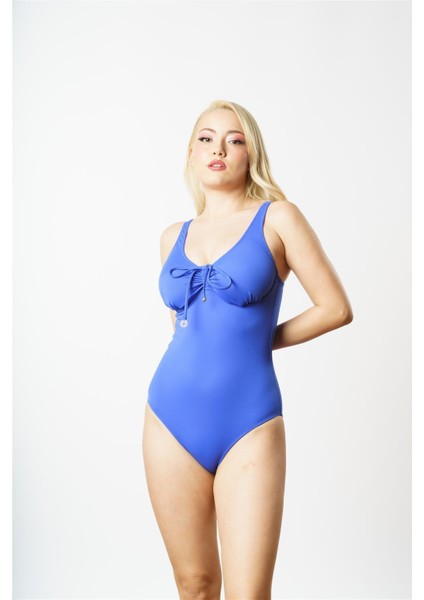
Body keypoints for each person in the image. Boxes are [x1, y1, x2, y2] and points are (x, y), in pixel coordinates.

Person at [142, 99, 353, 599]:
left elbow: (335, 308)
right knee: (194, 585)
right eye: (206, 139)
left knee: (249, 594)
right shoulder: (172, 237)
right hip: (168, 418)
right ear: (191, 153)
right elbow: (183, 330)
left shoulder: (278, 218)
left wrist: (262, 340)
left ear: (250, 153)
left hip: (249, 423)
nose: (218, 149)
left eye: (234, 140)